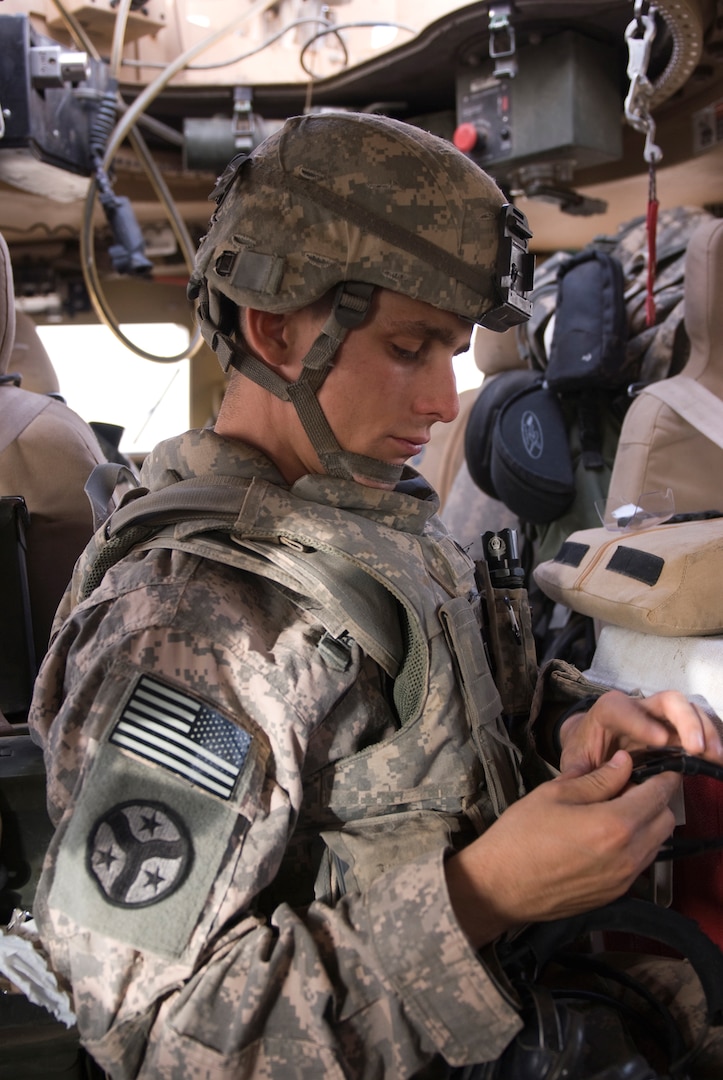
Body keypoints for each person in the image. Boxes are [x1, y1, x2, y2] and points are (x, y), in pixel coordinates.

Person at [27, 112, 723, 1078]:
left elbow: (416, 734)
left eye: (452, 351)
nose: (444, 401)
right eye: (410, 348)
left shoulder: (362, 517)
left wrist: (565, 723)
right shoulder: (195, 626)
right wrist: (483, 895)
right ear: (276, 332)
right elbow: (157, 1039)